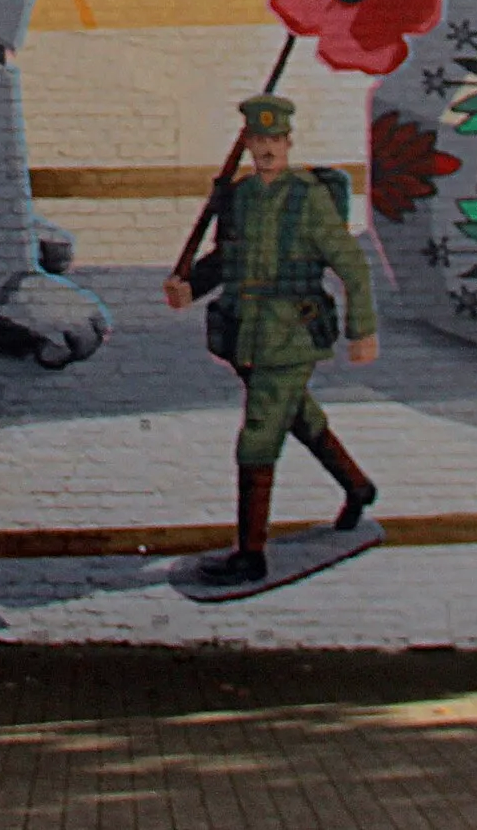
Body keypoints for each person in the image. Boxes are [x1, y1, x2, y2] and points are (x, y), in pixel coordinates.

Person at [164, 92, 379, 586]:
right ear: (249, 143)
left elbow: (351, 265)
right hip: (244, 332)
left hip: (291, 333)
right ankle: (358, 487)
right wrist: (190, 287)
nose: (266, 148)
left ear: (287, 141)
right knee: (299, 417)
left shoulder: (309, 199)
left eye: (274, 139)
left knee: (258, 436)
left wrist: (361, 331)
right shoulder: (238, 197)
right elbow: (224, 261)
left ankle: (251, 555)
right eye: (257, 139)